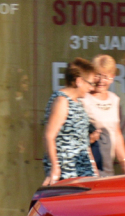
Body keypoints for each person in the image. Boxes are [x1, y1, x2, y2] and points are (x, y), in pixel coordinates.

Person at [42, 58, 99, 186]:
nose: (91, 88)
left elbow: (83, 141)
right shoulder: (62, 101)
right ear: (79, 81)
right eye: (90, 83)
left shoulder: (77, 103)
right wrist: (55, 168)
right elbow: (49, 136)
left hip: (83, 168)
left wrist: (93, 169)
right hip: (67, 169)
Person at [82, 54, 125, 176]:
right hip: (88, 169)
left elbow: (116, 134)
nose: (100, 81)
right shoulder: (83, 98)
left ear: (112, 78)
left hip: (107, 167)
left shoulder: (114, 99)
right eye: (97, 75)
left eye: (105, 76)